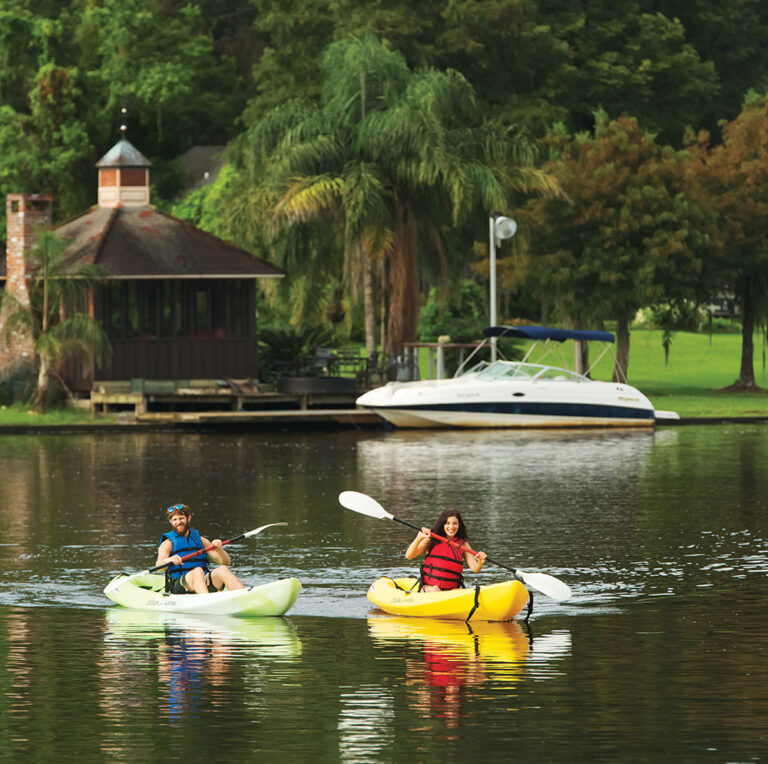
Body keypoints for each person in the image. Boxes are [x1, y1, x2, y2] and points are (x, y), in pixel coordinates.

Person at [155, 503, 246, 594]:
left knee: (223, 569)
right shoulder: (167, 543)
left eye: (181, 518)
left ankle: (244, 596)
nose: (178, 522)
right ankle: (207, 602)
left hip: (204, 580)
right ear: (171, 522)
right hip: (181, 584)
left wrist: (219, 549)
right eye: (175, 519)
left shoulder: (201, 541)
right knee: (197, 571)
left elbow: (226, 562)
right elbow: (158, 566)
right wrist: (169, 560)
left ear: (188, 518)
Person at [405, 509, 487, 592]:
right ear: (442, 525)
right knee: (435, 590)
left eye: (455, 523)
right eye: (447, 523)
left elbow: (475, 569)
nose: (451, 527)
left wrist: (480, 562)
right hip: (429, 588)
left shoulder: (463, 545)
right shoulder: (431, 539)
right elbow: (409, 556)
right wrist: (419, 538)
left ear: (459, 525)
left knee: (459, 591)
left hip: (450, 590)